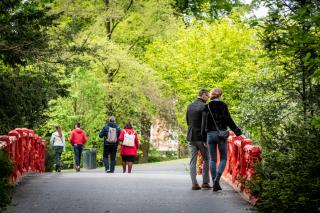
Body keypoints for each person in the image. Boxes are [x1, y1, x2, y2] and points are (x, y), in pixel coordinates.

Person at [202, 87, 242, 191]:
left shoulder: (207, 106)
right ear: (220, 95)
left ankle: (214, 179)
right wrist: (237, 131)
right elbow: (229, 120)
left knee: (213, 159)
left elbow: (203, 124)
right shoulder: (223, 105)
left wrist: (203, 138)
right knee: (223, 158)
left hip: (210, 135)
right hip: (221, 135)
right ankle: (217, 180)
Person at [186, 88, 211, 190]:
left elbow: (188, 121)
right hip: (201, 137)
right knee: (206, 158)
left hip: (191, 136)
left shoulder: (190, 106)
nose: (208, 98)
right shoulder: (205, 107)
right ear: (204, 95)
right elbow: (205, 124)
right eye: (208, 96)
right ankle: (205, 182)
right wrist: (205, 139)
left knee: (192, 161)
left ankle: (194, 183)